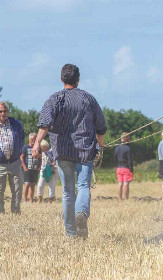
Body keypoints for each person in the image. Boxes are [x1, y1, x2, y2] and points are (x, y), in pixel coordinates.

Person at [33, 63, 107, 239]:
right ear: (78, 79)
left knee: (67, 192)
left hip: (63, 150)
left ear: (61, 79)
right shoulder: (88, 99)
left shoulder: (55, 99)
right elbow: (101, 127)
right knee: (83, 186)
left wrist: (36, 143)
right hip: (85, 150)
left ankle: (71, 233)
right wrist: (101, 146)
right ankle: (81, 213)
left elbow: (45, 124)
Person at [0, 101, 25, 214]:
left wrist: (18, 152)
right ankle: (1, 213)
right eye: (0, 111)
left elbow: (22, 138)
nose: (3, 113)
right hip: (0, 164)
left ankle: (16, 212)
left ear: (8, 111)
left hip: (15, 162)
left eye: (5, 111)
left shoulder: (16, 124)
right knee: (0, 190)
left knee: (17, 189)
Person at [21, 132, 41, 203]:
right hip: (27, 169)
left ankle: (31, 200)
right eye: (32, 139)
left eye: (34, 139)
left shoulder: (38, 148)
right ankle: (25, 200)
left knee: (33, 185)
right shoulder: (25, 147)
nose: (33, 140)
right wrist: (24, 167)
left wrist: (39, 166)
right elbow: (22, 157)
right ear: (29, 139)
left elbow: (40, 158)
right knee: (27, 184)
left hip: (35, 169)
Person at [114, 132, 133, 201]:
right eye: (129, 138)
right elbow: (130, 160)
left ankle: (119, 198)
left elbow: (115, 157)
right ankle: (126, 198)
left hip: (119, 167)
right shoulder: (128, 148)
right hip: (126, 167)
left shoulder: (117, 148)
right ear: (126, 139)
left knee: (120, 183)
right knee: (126, 183)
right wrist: (131, 169)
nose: (130, 139)